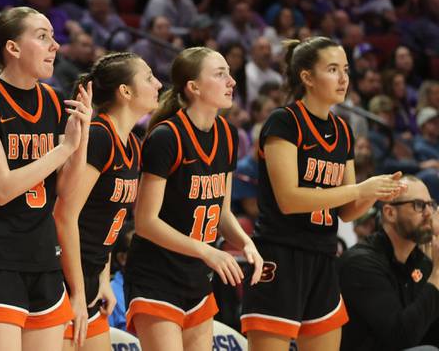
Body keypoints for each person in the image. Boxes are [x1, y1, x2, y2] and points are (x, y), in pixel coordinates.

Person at [241, 37, 406, 351]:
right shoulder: (284, 121)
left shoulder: (343, 129)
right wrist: (359, 188)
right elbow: (289, 200)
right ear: (307, 77)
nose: (344, 78)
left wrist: (375, 193)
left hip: (324, 256)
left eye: (345, 69)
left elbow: (345, 210)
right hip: (280, 254)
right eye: (332, 69)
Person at [0, 6, 91, 351]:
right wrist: (64, 150)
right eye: (43, 36)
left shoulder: (51, 100)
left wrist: (82, 139)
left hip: (44, 259)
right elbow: (1, 188)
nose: (56, 46)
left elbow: (65, 191)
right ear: (12, 48)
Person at [125, 47, 263, 351]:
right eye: (220, 74)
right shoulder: (166, 137)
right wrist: (207, 251)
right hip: (156, 275)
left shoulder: (227, 134)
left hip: (197, 276)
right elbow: (145, 223)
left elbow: (222, 212)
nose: (232, 81)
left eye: (229, 73)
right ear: (193, 87)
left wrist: (247, 242)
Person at [55, 52, 162, 350]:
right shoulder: (99, 136)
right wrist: (76, 291)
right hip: (64, 277)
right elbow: (65, 216)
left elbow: (109, 222)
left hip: (91, 275)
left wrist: (104, 276)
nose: (159, 83)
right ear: (125, 91)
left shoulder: (133, 144)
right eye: (149, 77)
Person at [339, 176, 439, 351]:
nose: (429, 213)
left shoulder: (421, 262)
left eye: (431, 205)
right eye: (419, 205)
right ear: (390, 213)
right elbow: (400, 338)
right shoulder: (360, 264)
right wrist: (438, 276)